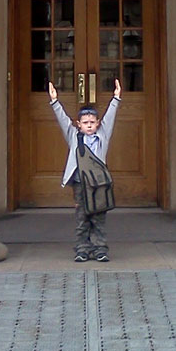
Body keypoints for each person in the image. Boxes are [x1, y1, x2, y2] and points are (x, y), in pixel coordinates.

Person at [47, 77, 121, 262]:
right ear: (78, 124)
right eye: (85, 122)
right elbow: (63, 120)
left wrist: (116, 98)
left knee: (99, 218)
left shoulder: (102, 136)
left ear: (98, 123)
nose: (89, 125)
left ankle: (100, 249)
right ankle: (82, 248)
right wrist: (55, 101)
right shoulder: (74, 136)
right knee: (82, 218)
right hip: (81, 184)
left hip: (99, 185)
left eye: (92, 122)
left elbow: (110, 117)